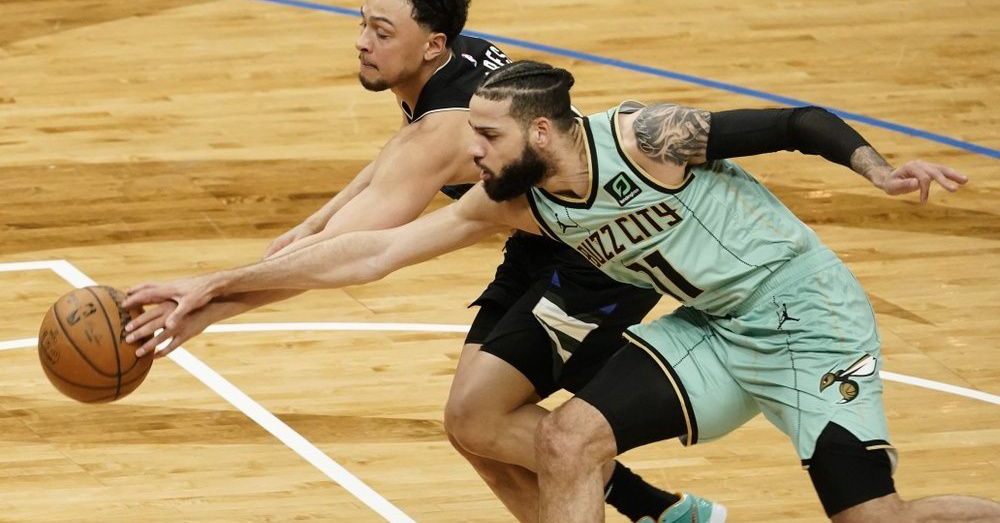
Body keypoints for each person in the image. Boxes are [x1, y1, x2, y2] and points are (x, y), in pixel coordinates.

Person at [123, 60, 995, 522]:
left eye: (489, 136)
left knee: (876, 520)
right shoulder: (517, 198)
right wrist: (213, 287)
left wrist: (878, 170)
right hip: (718, 330)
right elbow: (372, 252)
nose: (475, 152)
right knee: (573, 439)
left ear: (542, 129)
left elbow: (796, 122)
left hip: (811, 321)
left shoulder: (648, 136)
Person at [122, 0, 700, 520]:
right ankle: (658, 511)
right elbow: (397, 161)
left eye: (382, 31)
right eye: (362, 23)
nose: (362, 42)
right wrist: (314, 222)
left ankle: (648, 505)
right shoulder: (452, 66)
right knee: (475, 435)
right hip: (535, 243)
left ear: (431, 43)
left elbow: (346, 257)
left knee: (478, 422)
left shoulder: (446, 127)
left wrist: (210, 298)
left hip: (599, 256)